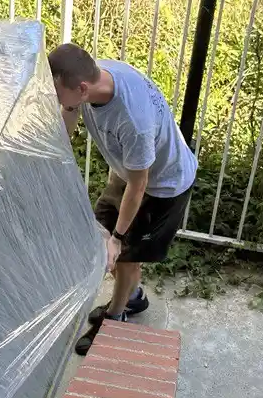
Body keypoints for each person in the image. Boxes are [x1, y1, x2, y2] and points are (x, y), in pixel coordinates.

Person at [48, 44, 197, 351]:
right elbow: (68, 115)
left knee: (125, 255)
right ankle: (133, 296)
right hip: (128, 172)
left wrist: (118, 236)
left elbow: (140, 185)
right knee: (100, 239)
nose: (56, 98)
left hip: (161, 185)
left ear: (82, 88)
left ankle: (114, 318)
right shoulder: (93, 77)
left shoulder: (133, 121)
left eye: (58, 92)